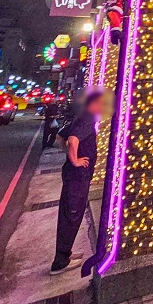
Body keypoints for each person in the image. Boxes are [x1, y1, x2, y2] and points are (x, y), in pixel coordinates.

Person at [50, 90, 102, 274]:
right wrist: (75, 160)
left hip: (74, 176)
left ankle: (65, 253)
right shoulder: (87, 118)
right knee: (72, 216)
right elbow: (72, 140)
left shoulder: (81, 117)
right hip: (77, 177)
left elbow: (61, 137)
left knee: (70, 215)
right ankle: (60, 261)